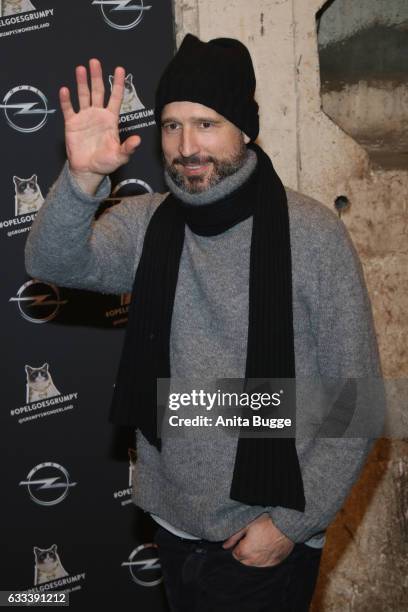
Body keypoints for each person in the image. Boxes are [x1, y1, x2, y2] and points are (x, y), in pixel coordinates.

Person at [25, 34, 382, 612]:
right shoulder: (148, 225)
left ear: (245, 128)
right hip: (173, 530)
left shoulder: (313, 236)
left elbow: (358, 402)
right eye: (171, 126)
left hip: (267, 535)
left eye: (207, 124)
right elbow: (50, 262)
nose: (187, 146)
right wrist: (82, 180)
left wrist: (288, 526)